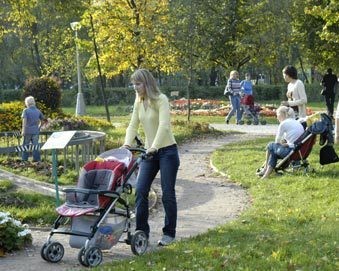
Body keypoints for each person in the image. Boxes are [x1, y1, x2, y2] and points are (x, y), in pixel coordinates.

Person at [122, 68, 180, 246]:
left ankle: (169, 233)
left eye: (138, 84)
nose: (135, 87)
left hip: (167, 151)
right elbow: (133, 125)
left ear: (147, 83)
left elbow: (164, 126)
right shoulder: (139, 101)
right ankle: (142, 233)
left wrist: (154, 146)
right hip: (149, 153)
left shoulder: (161, 100)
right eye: (133, 84)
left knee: (167, 193)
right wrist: (126, 145)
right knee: (141, 191)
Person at [257, 106, 304, 179]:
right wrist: (285, 143)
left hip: (290, 152)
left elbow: (277, 141)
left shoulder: (283, 123)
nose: (277, 117)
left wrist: (283, 143)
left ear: (282, 115)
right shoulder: (296, 122)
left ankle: (265, 168)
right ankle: (266, 175)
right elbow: (293, 139)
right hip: (299, 152)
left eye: (277, 115)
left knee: (270, 145)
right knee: (273, 152)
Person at [21, 96, 44, 162]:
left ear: (27, 103)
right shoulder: (38, 111)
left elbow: (24, 121)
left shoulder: (26, 110)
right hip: (35, 131)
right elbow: (42, 120)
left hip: (27, 131)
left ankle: (24, 160)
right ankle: (37, 160)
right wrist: (39, 127)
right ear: (34, 102)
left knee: (25, 146)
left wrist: (23, 130)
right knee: (35, 146)